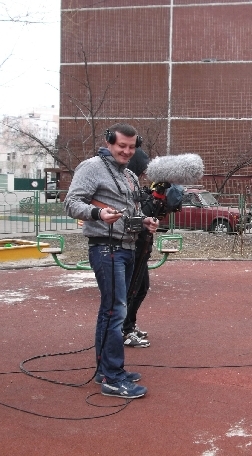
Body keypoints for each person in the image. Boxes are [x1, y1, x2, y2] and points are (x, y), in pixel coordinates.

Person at [64, 123, 158, 399]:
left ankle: (107, 369)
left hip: (127, 248)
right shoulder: (91, 167)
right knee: (115, 312)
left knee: (112, 310)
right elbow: (71, 203)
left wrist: (145, 222)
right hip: (107, 249)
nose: (127, 151)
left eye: (132, 147)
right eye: (122, 147)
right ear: (109, 143)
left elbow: (130, 213)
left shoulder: (128, 173)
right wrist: (97, 214)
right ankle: (112, 377)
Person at [122, 147, 152, 348]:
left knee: (141, 288)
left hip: (141, 246)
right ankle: (124, 329)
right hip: (128, 247)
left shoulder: (136, 186)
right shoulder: (123, 185)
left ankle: (130, 324)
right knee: (129, 291)